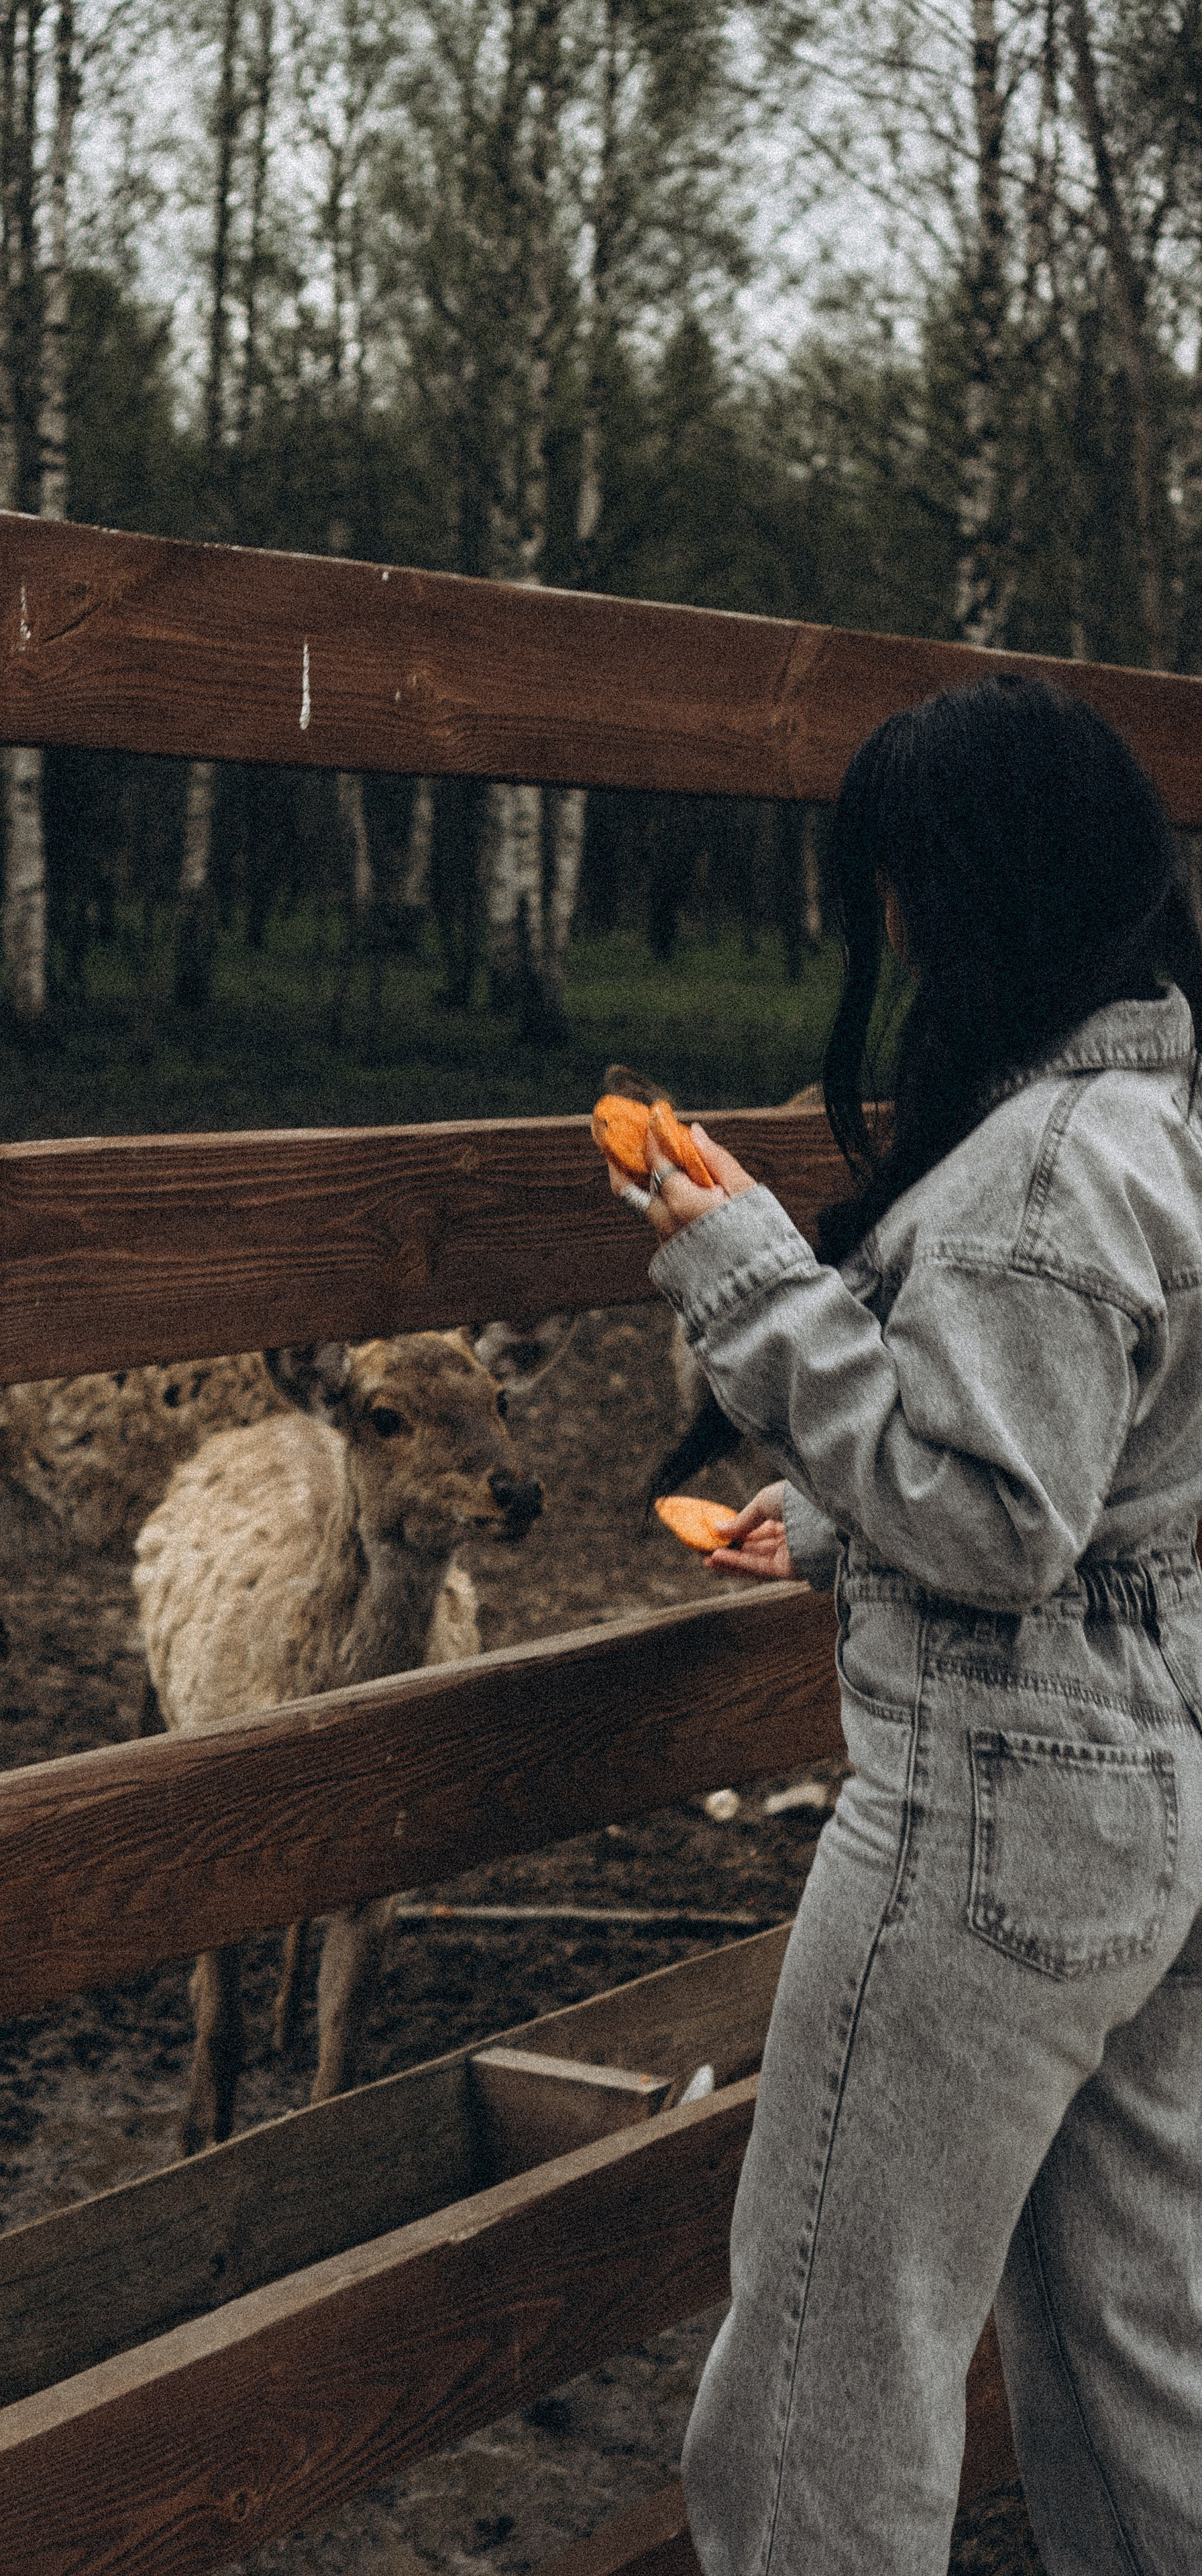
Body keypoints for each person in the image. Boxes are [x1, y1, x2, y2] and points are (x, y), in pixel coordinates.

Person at [619, 674, 1202, 2575]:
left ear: (974, 895)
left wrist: (750, 1279)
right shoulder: (1163, 1114)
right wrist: (832, 1521)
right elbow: (1105, 1476)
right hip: (1157, 1806)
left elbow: (995, 1521)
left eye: (897, 882)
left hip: (996, 1815)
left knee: (823, 2369)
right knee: (1133, 2348)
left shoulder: (1037, 1178)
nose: (882, 927)